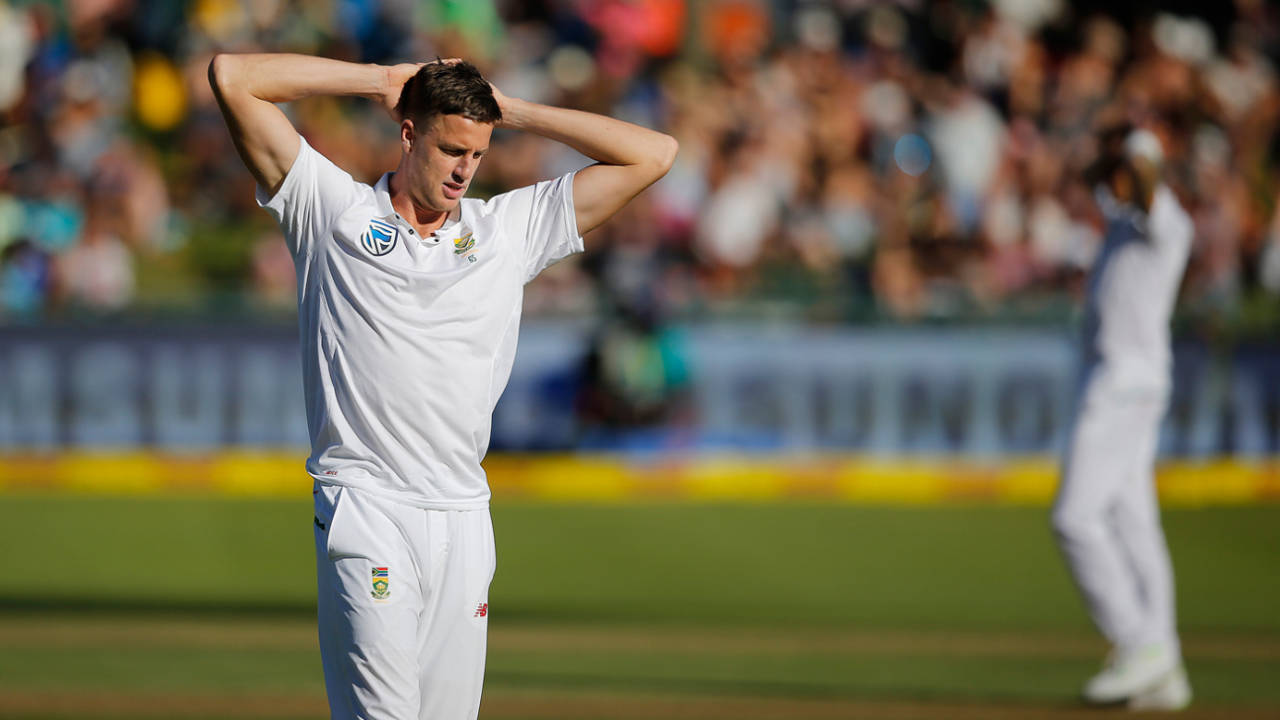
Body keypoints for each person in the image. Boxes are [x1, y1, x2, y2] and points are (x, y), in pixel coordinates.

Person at [207, 53, 676, 720]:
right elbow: (233, 78)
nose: (464, 169)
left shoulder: (505, 232)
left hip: (463, 516)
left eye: (478, 153)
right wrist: (377, 80)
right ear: (408, 133)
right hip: (366, 506)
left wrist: (508, 109)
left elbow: (654, 153)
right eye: (451, 147)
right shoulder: (330, 210)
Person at [1051, 120, 1193, 711]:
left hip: (1124, 381)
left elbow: (1146, 183)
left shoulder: (1167, 221)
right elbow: (1093, 179)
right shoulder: (1117, 220)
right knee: (1135, 523)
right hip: (1123, 378)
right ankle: (1166, 667)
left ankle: (1138, 642)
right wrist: (1108, 154)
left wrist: (1132, 150)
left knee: (1075, 518)